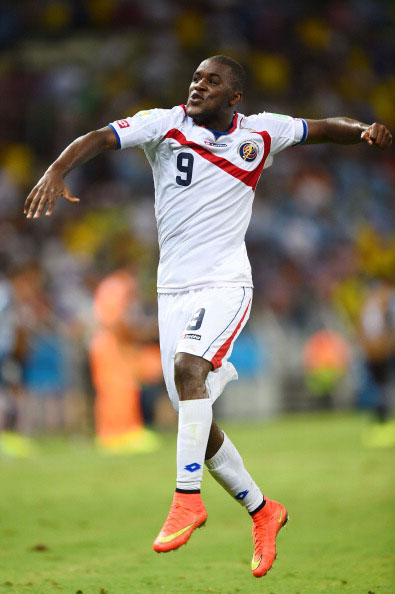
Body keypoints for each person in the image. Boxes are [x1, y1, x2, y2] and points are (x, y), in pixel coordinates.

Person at [24, 55, 392, 578]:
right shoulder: (162, 124)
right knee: (193, 413)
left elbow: (322, 129)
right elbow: (101, 137)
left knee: (188, 368)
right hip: (171, 290)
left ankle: (186, 498)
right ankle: (264, 511)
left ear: (234, 97)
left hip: (225, 283)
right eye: (195, 78)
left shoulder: (261, 134)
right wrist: (57, 169)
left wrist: (363, 132)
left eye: (212, 81)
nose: (198, 86)